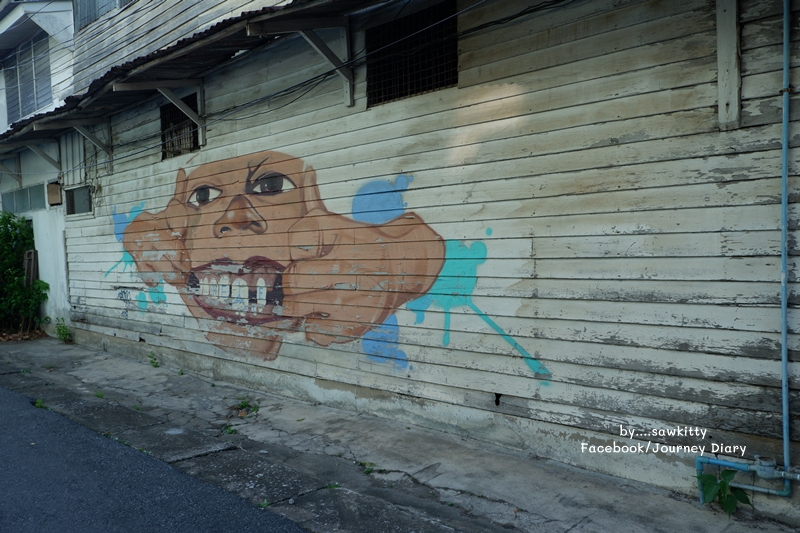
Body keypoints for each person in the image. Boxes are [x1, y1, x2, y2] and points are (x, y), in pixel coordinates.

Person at [123, 150, 444, 360]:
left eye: (271, 185)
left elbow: (420, 239)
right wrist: (137, 235)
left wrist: (399, 265)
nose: (234, 216)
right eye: (203, 195)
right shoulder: (176, 243)